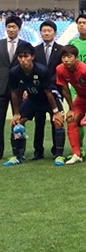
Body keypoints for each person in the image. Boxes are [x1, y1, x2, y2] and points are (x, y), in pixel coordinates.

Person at [4, 43, 71, 166]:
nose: (23, 60)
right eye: (20, 57)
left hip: (49, 98)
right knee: (16, 123)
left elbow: (48, 92)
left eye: (26, 56)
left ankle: (59, 155)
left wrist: (56, 112)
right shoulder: (14, 72)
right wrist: (17, 113)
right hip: (33, 99)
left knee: (58, 122)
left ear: (32, 57)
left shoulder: (41, 70)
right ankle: (17, 156)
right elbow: (14, 93)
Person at [55, 45, 86, 164]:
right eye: (64, 57)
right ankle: (77, 154)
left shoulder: (85, 69)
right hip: (81, 98)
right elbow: (65, 89)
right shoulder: (60, 69)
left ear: (76, 58)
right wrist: (71, 108)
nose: (66, 60)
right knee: (71, 119)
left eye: (69, 57)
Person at [31, 20, 64, 160]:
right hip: (39, 92)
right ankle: (38, 150)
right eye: (44, 31)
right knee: (39, 121)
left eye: (49, 31)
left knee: (55, 119)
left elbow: (62, 69)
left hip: (55, 89)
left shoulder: (61, 50)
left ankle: (57, 150)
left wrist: (50, 82)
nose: (46, 33)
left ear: (55, 33)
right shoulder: (35, 50)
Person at [0, 15, 29, 159]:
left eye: (14, 27)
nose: (11, 29)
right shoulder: (0, 44)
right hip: (1, 89)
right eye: (9, 27)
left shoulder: (25, 46)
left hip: (19, 90)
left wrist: (26, 89)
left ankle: (18, 152)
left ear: (19, 28)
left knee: (18, 121)